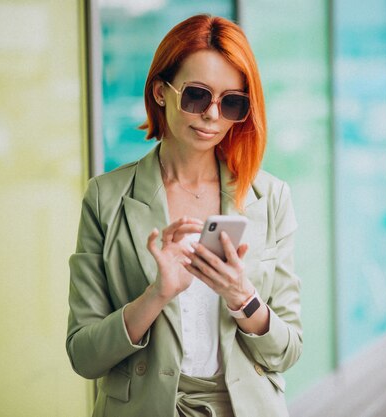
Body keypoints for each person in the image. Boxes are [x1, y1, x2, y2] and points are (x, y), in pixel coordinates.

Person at [66, 14, 302, 417]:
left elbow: (288, 350)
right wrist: (157, 294)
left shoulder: (270, 197)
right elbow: (84, 356)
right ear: (160, 91)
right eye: (196, 95)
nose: (212, 115)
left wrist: (242, 298)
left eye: (231, 102)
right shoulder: (106, 199)